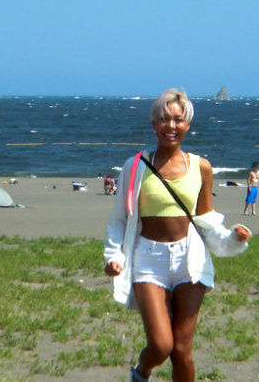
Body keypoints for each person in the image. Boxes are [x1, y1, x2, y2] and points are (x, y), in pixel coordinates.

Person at [104, 89, 251, 382]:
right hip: (148, 260)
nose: (171, 125)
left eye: (178, 120)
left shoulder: (201, 167)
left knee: (182, 350)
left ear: (188, 125)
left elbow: (205, 220)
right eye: (164, 119)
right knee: (161, 346)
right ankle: (142, 371)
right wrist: (114, 256)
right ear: (154, 124)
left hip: (189, 259)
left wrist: (232, 238)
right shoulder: (135, 166)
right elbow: (119, 219)